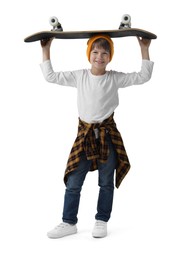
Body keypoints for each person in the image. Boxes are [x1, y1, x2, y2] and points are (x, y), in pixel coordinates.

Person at [40, 34, 154, 239]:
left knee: (106, 181)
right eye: (95, 52)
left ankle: (101, 220)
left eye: (104, 53)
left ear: (110, 57)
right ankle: (68, 222)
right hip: (84, 136)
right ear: (88, 54)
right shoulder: (79, 76)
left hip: (107, 135)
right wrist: (46, 49)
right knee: (74, 180)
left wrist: (144, 48)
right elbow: (51, 76)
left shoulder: (114, 78)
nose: (99, 57)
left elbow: (142, 77)